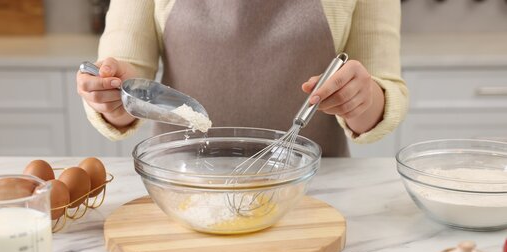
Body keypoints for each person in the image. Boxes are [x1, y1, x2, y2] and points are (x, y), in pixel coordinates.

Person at [77, 0, 408, 157]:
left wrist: (362, 99)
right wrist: (112, 97)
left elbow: (382, 94)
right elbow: (123, 77)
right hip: (180, 181)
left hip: (311, 187)